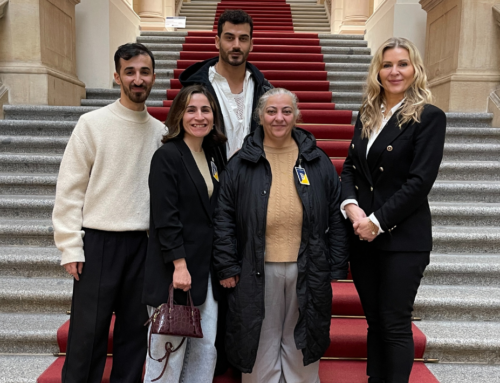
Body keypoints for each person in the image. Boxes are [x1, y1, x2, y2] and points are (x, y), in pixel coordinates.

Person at [212, 88, 349, 382]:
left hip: (307, 264)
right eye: (271, 111)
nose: (279, 118)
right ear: (260, 116)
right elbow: (222, 217)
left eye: (286, 111)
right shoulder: (240, 162)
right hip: (256, 266)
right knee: (260, 334)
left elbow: (337, 214)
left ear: (296, 116)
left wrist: (336, 264)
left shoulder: (317, 160)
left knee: (302, 331)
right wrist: (226, 265)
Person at [52, 43, 164, 383]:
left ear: (153, 77)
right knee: (87, 335)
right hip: (99, 244)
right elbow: (70, 189)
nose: (137, 78)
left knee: (133, 336)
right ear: (117, 76)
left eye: (144, 72)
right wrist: (70, 245)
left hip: (143, 246)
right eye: (129, 72)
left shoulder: (161, 133)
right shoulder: (92, 124)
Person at [340, 37, 446, 383]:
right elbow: (351, 169)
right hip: (364, 237)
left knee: (395, 322)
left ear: (415, 69)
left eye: (403, 64)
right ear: (377, 71)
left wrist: (376, 221)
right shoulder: (367, 114)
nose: (394, 71)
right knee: (374, 322)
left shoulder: (428, 117)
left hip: (403, 239)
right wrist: (352, 209)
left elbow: (419, 182)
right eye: (387, 65)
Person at [142, 84, 227, 383]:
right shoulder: (167, 156)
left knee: (205, 349)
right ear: (179, 115)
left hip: (206, 272)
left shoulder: (212, 156)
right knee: (168, 352)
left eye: (205, 110)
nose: (199, 116)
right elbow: (165, 217)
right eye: (191, 109)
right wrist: (179, 264)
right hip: (175, 271)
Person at [179, 9, 273, 159]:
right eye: (229, 38)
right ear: (217, 41)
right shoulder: (193, 88)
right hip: (209, 178)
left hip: (255, 178)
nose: (236, 45)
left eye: (243, 39)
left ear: (251, 44)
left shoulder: (265, 90)